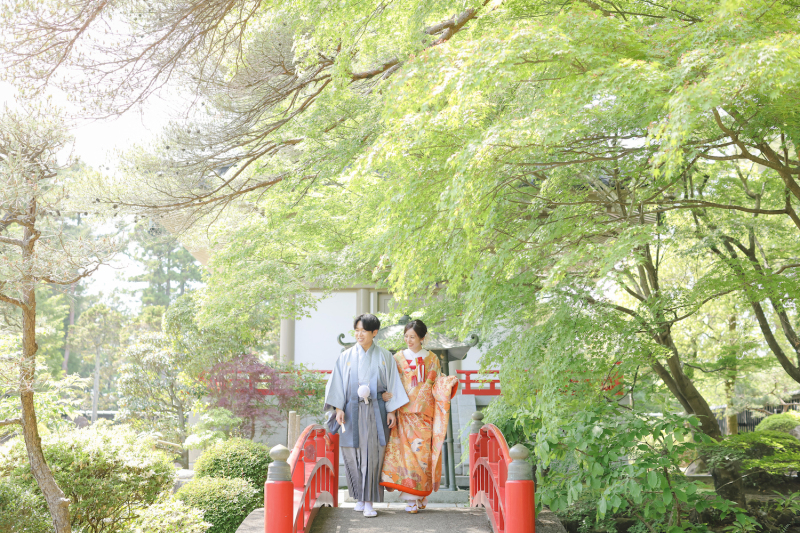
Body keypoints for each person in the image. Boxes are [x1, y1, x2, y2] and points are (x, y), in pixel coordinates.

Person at [323, 313, 409, 518]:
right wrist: (338, 409)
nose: (359, 334)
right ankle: (360, 498)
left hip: (376, 409)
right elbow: (336, 384)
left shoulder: (385, 356)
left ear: (374, 332)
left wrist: (391, 410)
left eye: (363, 331)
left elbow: (392, 383)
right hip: (351, 409)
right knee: (352, 453)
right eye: (357, 330)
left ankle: (369, 501)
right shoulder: (345, 356)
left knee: (373, 454)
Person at [379, 319, 458, 513]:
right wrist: (389, 404)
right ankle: (410, 499)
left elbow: (437, 382)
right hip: (404, 412)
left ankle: (421, 493)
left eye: (412, 337)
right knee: (407, 456)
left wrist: (448, 383)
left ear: (422, 338)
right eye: (406, 336)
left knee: (423, 456)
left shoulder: (432, 358)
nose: (408, 340)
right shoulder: (397, 358)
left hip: (425, 414)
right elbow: (391, 383)